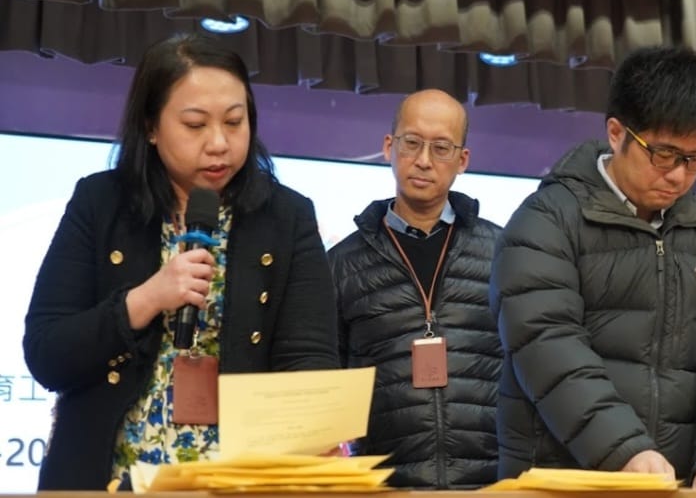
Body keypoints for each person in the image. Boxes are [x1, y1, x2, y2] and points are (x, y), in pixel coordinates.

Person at [22, 33, 340, 490]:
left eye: (235, 122)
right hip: (109, 476)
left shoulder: (287, 216)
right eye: (195, 125)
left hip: (237, 481)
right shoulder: (100, 202)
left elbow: (308, 358)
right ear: (151, 126)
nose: (219, 143)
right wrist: (145, 299)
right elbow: (47, 354)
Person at [490, 45, 696, 488]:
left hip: (673, 483)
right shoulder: (546, 220)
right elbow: (546, 344)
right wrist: (625, 450)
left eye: (695, 158)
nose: (678, 175)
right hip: (562, 481)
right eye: (664, 154)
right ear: (616, 133)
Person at [327, 89, 503, 489]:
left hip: (489, 483)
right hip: (383, 484)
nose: (424, 160)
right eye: (412, 143)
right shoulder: (341, 264)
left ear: (462, 160)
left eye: (441, 148)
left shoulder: (502, 252)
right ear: (389, 147)